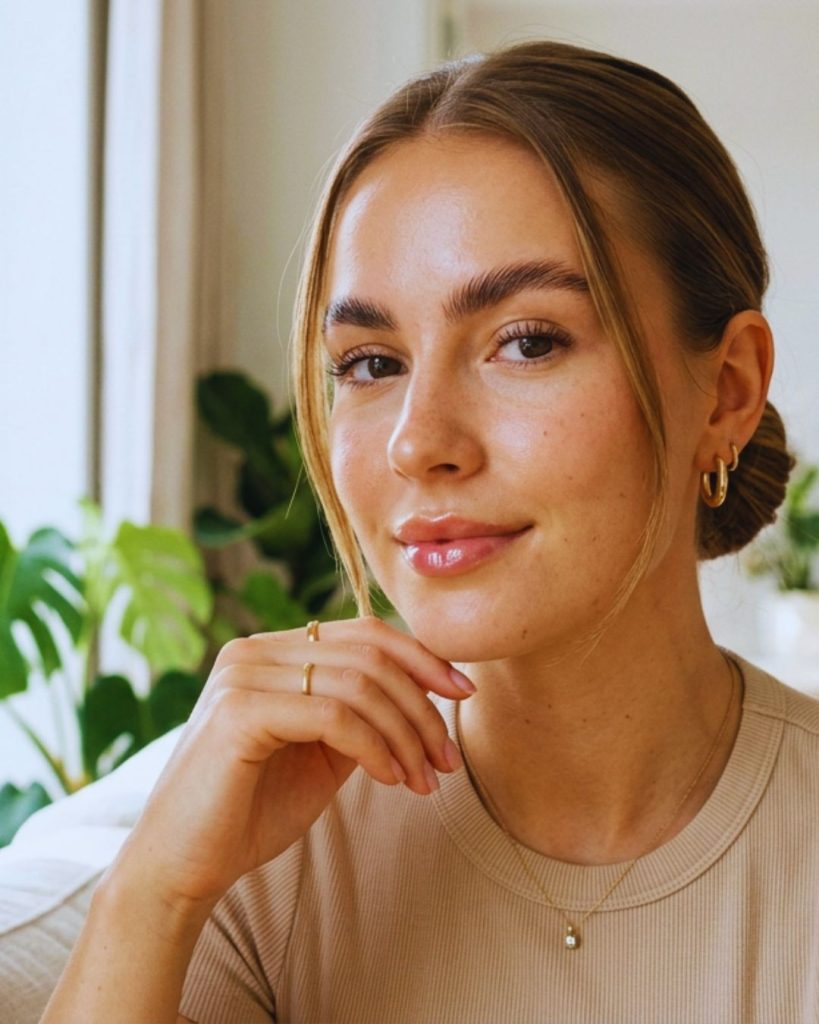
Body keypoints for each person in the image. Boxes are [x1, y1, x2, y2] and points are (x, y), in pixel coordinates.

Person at [41, 39, 819, 1024]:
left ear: (728, 389)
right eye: (371, 363)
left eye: (525, 343)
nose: (417, 443)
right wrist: (149, 892)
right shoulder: (260, 863)